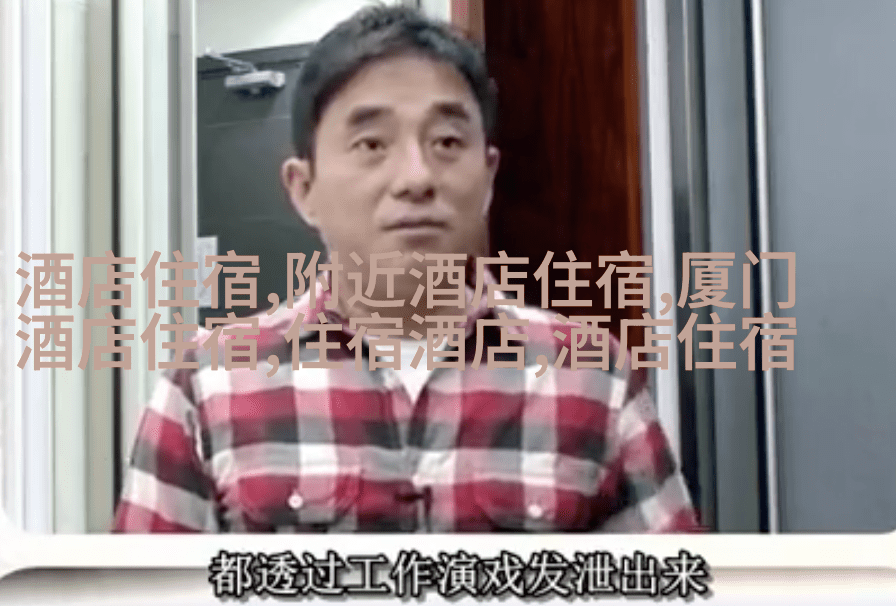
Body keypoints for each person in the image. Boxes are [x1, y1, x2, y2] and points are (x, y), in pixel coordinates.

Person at [113, 5, 700, 533]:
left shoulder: (593, 377)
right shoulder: (209, 384)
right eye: (372, 145)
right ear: (304, 188)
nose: (417, 177)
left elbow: (672, 588)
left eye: (447, 142)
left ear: (488, 176)